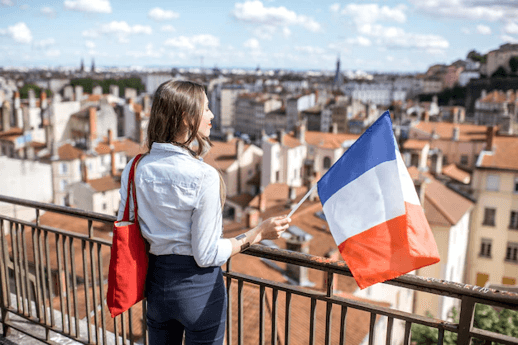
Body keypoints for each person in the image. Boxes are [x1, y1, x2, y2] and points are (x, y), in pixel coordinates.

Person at [117, 80, 291, 345]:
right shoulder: (204, 176)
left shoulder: (134, 167)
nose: (212, 115)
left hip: (155, 284)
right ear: (187, 118)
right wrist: (257, 233)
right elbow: (206, 253)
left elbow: (128, 223)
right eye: (206, 109)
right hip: (197, 291)